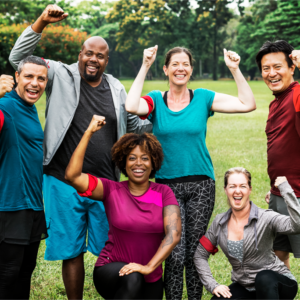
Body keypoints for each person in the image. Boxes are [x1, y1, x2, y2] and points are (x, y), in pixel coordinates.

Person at [9, 4, 152, 299]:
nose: (93, 59)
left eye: (100, 55)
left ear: (106, 60)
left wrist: (162, 115)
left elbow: (135, 121)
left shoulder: (115, 87)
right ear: (80, 55)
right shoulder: (59, 73)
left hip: (104, 185)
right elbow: (18, 59)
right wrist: (41, 22)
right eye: (88, 53)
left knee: (110, 250)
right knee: (71, 251)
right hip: (62, 180)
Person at [125, 45, 256, 299]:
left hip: (201, 185)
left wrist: (235, 69)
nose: (180, 68)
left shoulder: (203, 98)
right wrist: (145, 64)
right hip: (167, 187)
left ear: (191, 69)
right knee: (174, 251)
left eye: (185, 64)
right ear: (166, 69)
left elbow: (247, 104)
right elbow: (131, 105)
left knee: (194, 253)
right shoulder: (156, 100)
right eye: (174, 64)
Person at [64, 115, 181, 300]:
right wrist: (88, 133)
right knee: (132, 277)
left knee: (138, 279)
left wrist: (149, 267)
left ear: (153, 163)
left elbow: (174, 234)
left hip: (150, 275)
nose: (138, 163)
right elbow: (72, 176)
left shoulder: (164, 192)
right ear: (124, 163)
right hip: (112, 269)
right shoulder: (111, 189)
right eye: (132, 158)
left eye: (145, 158)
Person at [193, 167, 299, 300]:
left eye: (243, 186)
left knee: (264, 277)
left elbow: (297, 225)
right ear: (226, 190)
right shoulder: (219, 223)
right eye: (232, 186)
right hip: (246, 287)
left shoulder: (265, 218)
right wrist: (213, 285)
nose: (237, 191)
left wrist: (285, 189)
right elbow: (200, 255)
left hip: (278, 284)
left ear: (249, 189)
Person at [0, 56, 48, 299]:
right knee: (7, 274)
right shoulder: (5, 105)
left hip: (32, 205)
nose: (35, 83)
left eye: (41, 78)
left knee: (24, 272)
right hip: (10, 205)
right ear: (16, 76)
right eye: (28, 76)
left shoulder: (28, 109)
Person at [257, 40, 300, 269]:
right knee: (277, 255)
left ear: (292, 67)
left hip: (298, 196)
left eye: (278, 67)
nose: (271, 74)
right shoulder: (277, 101)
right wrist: (275, 189)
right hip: (280, 193)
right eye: (266, 68)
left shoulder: (297, 95)